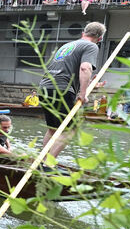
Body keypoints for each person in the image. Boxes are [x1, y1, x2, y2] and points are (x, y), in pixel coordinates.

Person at [38, 21, 105, 157]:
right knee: (70, 129)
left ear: (83, 33)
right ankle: (48, 164)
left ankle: (42, 161)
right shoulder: (91, 46)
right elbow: (85, 68)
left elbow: (67, 70)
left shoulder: (67, 45)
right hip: (62, 89)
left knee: (53, 129)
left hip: (45, 87)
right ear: (100, 38)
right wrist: (83, 93)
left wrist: (90, 84)